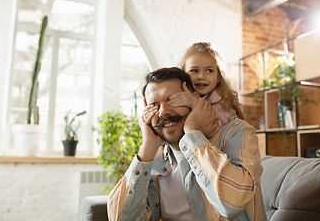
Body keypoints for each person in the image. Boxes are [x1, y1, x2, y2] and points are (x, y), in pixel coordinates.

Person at [107, 67, 265, 221]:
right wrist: (147, 148)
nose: (163, 112)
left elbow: (232, 205)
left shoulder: (235, 133)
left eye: (172, 100)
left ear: (194, 99)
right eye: (154, 105)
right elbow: (119, 218)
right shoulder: (154, 158)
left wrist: (192, 132)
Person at [167, 42, 243, 139]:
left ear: (218, 76)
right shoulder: (180, 95)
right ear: (183, 74)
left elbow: (215, 128)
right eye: (194, 70)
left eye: (209, 71)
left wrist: (194, 103)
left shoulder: (221, 100)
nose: (201, 76)